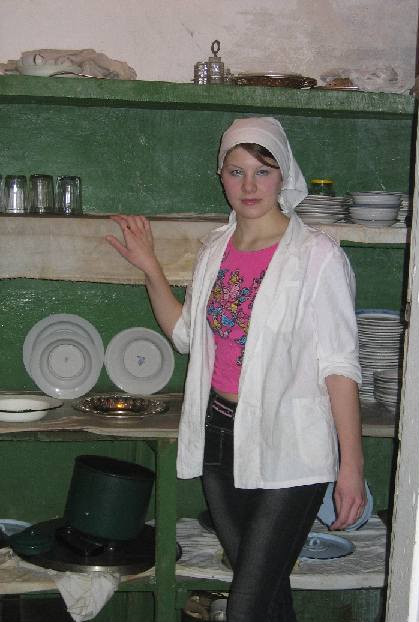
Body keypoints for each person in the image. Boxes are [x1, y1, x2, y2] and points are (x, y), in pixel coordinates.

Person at [106, 117, 365, 622]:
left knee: (245, 607)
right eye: (236, 171)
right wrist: (150, 267)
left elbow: (339, 364)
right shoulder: (215, 250)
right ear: (220, 175)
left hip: (290, 446)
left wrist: (350, 465)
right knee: (268, 598)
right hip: (220, 438)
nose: (249, 186)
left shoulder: (317, 256)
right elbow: (187, 335)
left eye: (262, 171)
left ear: (284, 175)